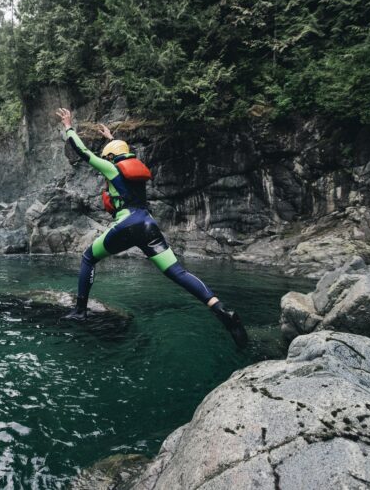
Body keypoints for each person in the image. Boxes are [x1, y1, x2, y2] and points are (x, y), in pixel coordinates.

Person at [56, 108, 248, 348]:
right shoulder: (135, 169)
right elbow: (119, 152)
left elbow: (83, 152)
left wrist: (68, 127)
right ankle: (221, 310)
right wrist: (111, 137)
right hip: (149, 225)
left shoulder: (111, 169)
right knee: (178, 272)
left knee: (88, 258)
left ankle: (80, 311)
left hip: (127, 225)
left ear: (109, 158)